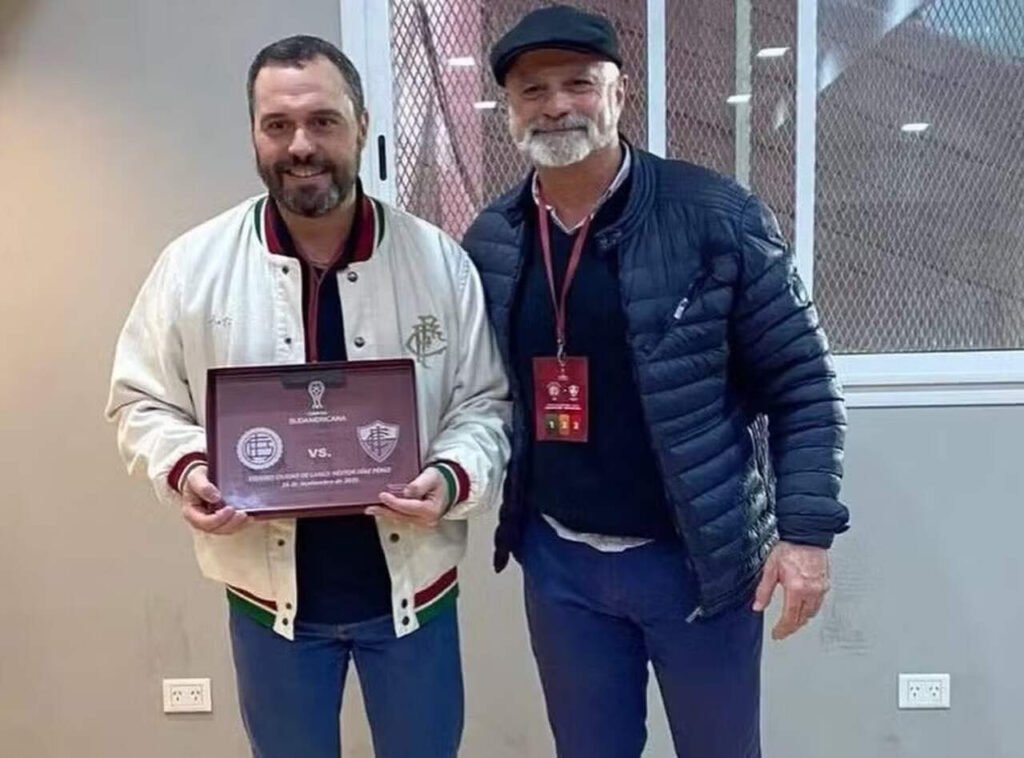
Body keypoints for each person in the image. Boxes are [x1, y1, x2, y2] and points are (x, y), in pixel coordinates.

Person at [106, 34, 509, 758]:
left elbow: (483, 404)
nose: (301, 145)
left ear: (361, 124)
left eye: (323, 121)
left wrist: (450, 477)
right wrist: (190, 469)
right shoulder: (193, 267)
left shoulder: (438, 262)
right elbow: (142, 401)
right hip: (271, 608)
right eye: (278, 125)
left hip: (413, 597)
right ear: (254, 135)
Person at [462, 6, 849, 758]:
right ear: (509, 109)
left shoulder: (715, 216)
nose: (556, 105)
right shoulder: (493, 239)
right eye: (533, 89)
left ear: (619, 92)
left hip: (698, 563)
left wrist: (805, 535)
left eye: (579, 83)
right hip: (562, 566)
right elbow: (477, 390)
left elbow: (802, 383)